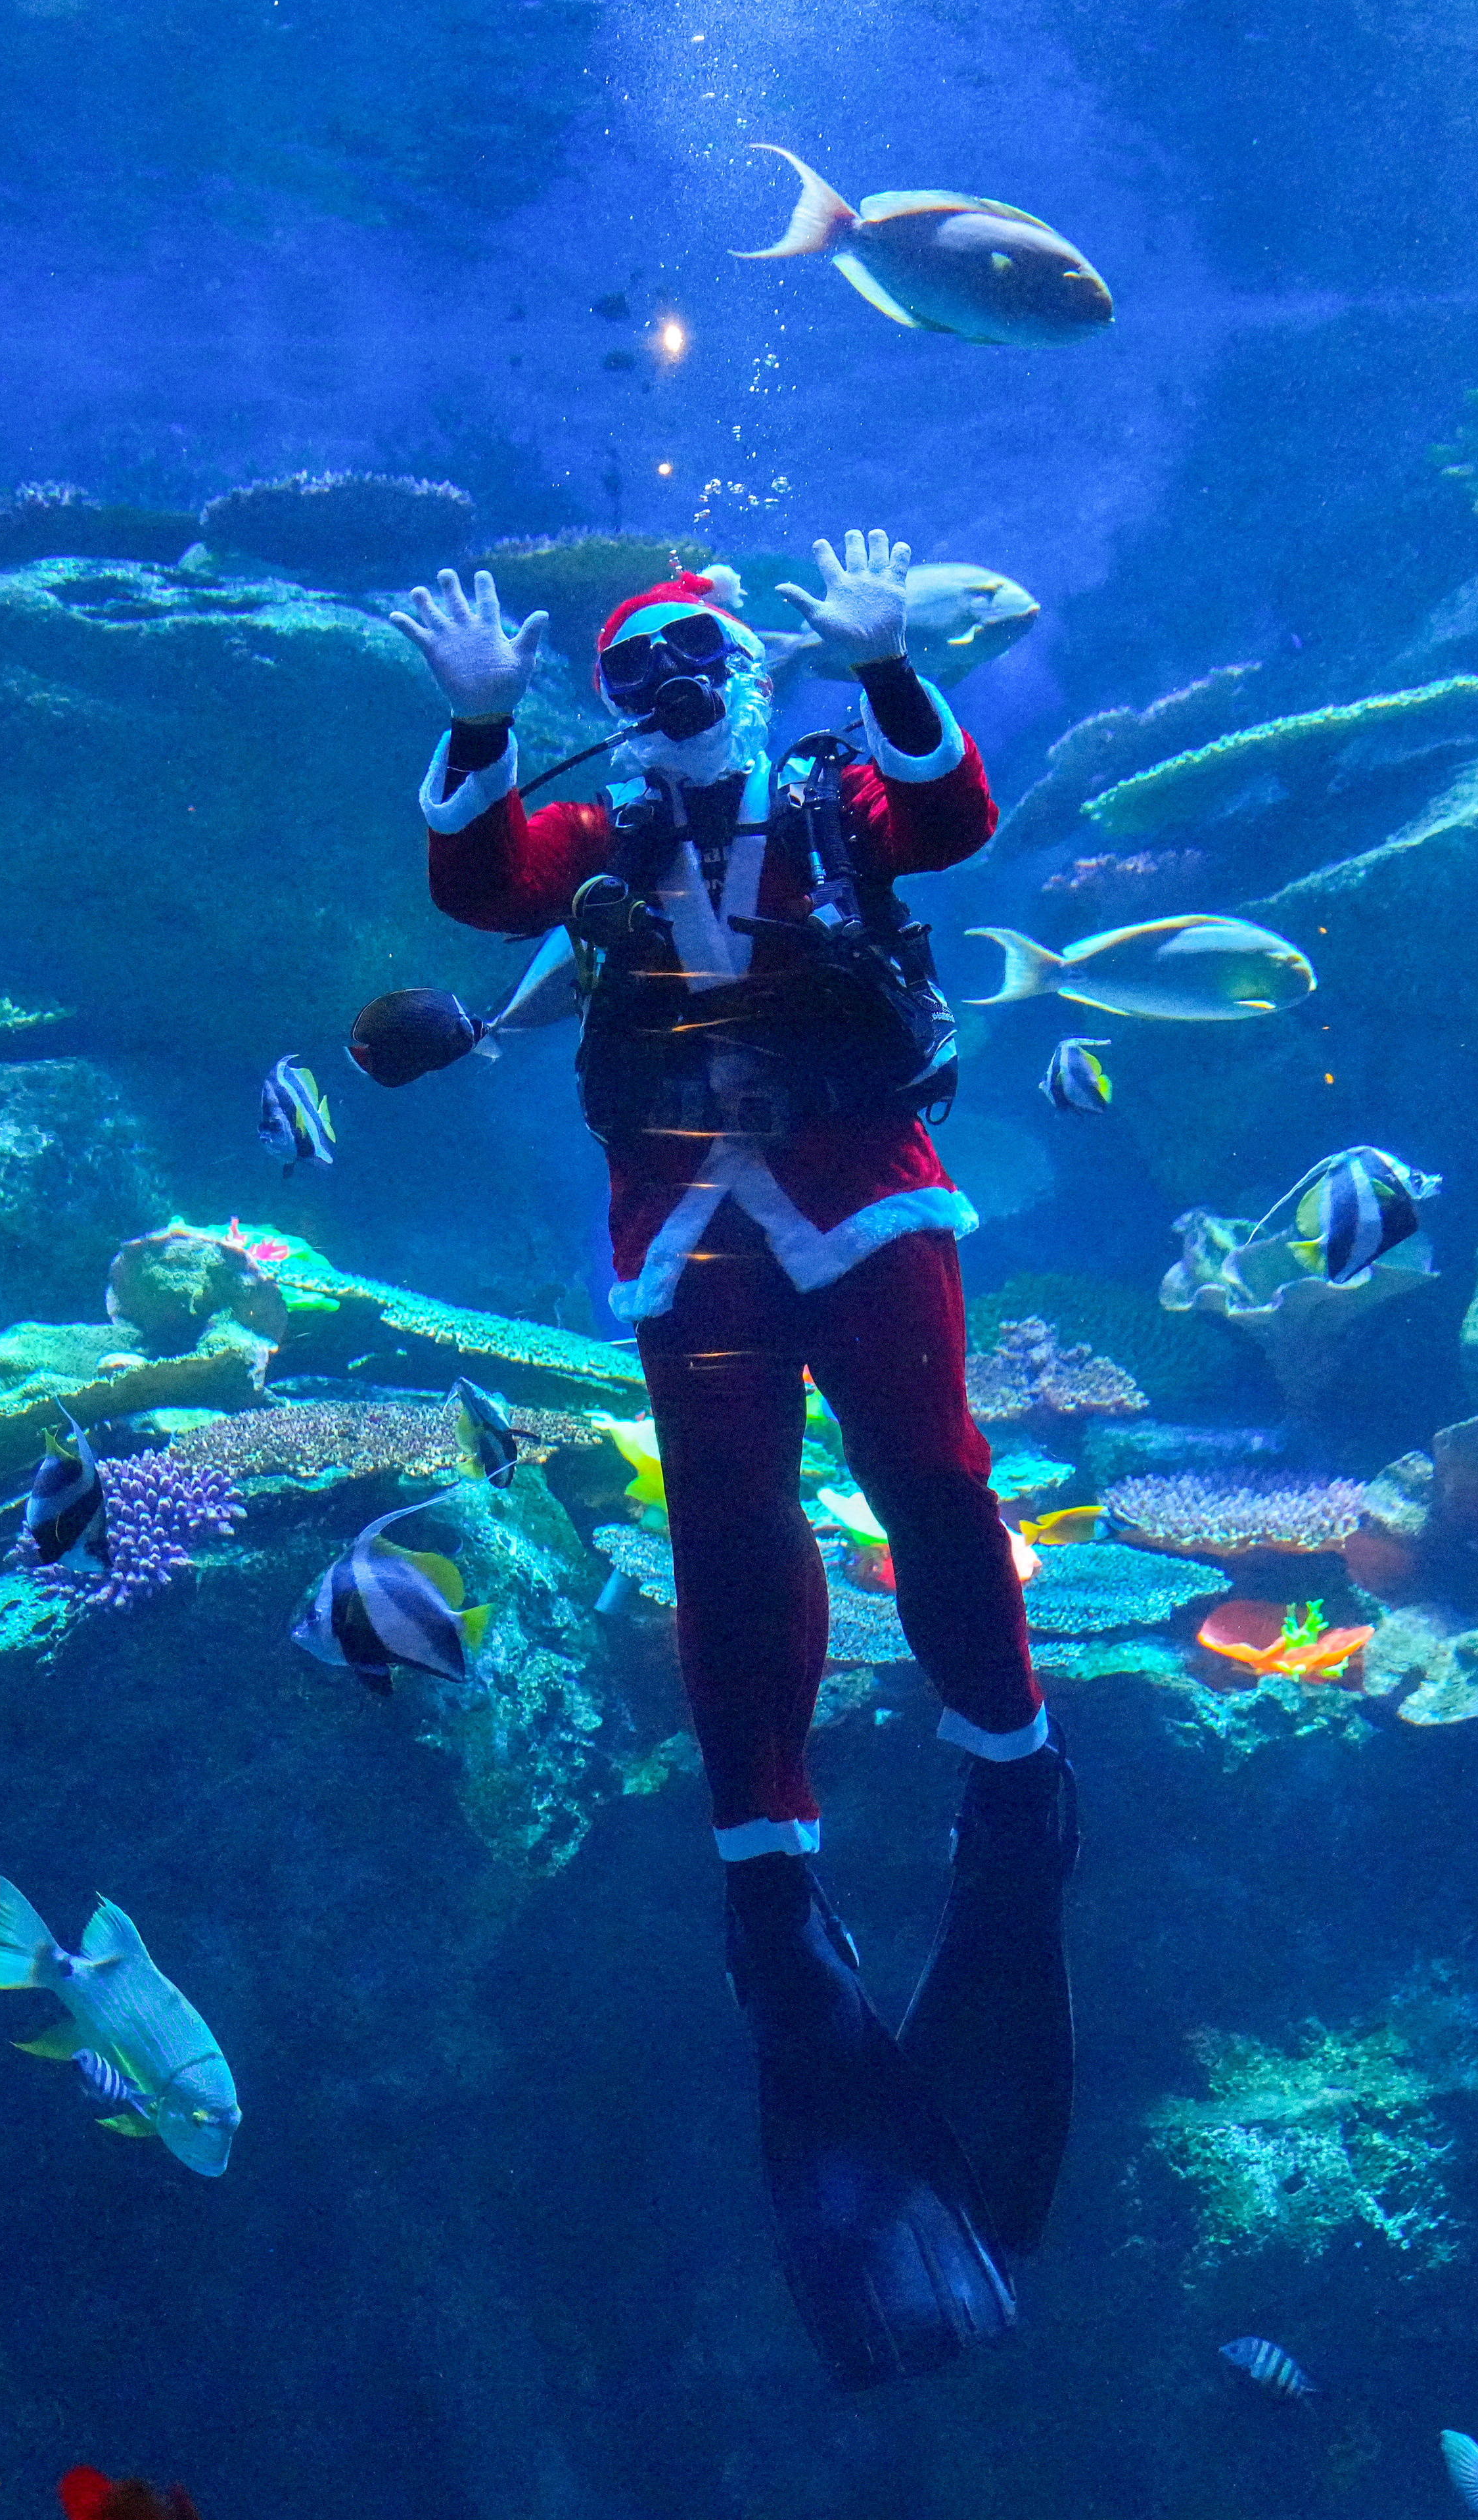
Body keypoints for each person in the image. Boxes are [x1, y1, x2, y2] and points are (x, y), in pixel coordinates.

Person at [387, 532, 1076, 2389]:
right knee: (730, 1537)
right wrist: (474, 716)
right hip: (685, 1224)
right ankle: (771, 1877)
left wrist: (894, 661)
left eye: (701, 656)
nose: (676, 692)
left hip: (868, 1196)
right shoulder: (597, 844)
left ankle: (1013, 1774)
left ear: (755, 670)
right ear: (609, 712)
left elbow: (954, 824)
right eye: (639, 677)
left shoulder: (841, 788)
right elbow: (471, 876)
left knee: (934, 1481)